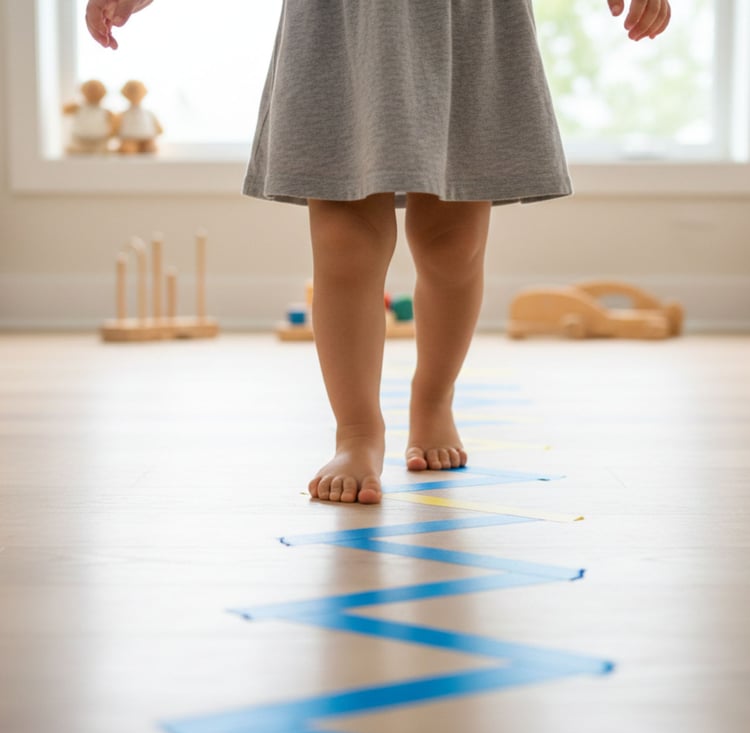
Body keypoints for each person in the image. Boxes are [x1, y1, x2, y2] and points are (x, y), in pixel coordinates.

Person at [86, 0, 671, 505]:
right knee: (343, 243)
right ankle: (357, 430)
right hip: (345, 25)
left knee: (454, 245)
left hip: (464, 21)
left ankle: (433, 398)